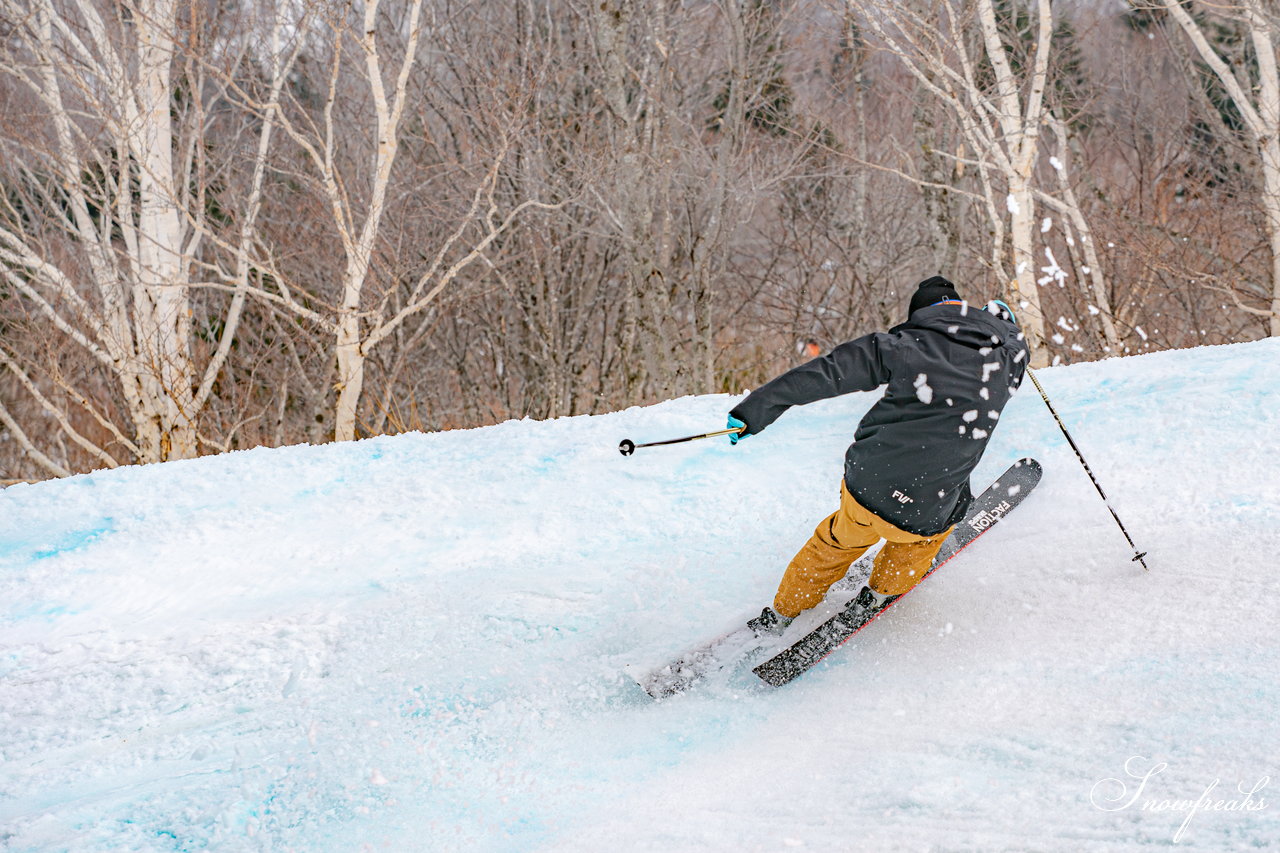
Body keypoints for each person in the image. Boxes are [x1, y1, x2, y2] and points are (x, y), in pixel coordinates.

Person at [726, 276, 1028, 635]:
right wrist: (1003, 324)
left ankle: (782, 612)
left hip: (870, 482)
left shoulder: (901, 346)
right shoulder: (1006, 359)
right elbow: (1017, 344)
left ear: (922, 314)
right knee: (918, 543)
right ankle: (881, 593)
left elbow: (824, 373)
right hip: (930, 500)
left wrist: (754, 411)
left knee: (835, 543)